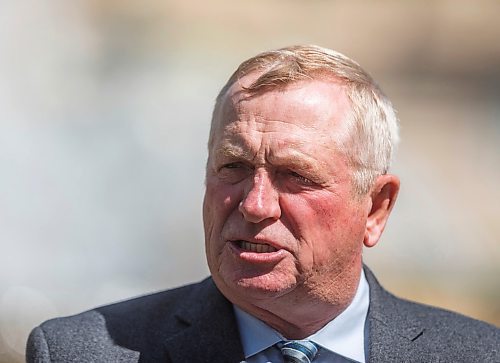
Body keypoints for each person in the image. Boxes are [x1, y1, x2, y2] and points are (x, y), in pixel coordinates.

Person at [26, 45, 499, 363]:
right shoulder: (82, 351)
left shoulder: (478, 354)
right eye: (232, 166)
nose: (254, 205)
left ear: (375, 208)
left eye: (295, 176)